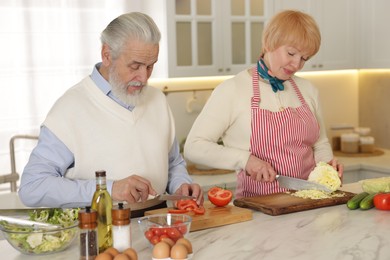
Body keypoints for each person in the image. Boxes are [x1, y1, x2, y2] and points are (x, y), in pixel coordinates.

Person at [19, 12, 203, 216]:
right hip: (99, 228)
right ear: (107, 55)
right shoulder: (70, 108)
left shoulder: (158, 100)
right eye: (135, 66)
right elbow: (33, 187)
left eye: (150, 66)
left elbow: (172, 163)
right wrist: (107, 189)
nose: (143, 77)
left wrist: (181, 185)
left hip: (157, 222)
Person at [184, 10, 343, 198]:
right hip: (258, 209)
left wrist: (327, 167)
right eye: (291, 53)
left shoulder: (308, 90)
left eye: (304, 58)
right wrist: (245, 160)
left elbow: (320, 143)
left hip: (308, 203)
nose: (296, 64)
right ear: (269, 43)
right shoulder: (233, 89)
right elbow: (193, 146)